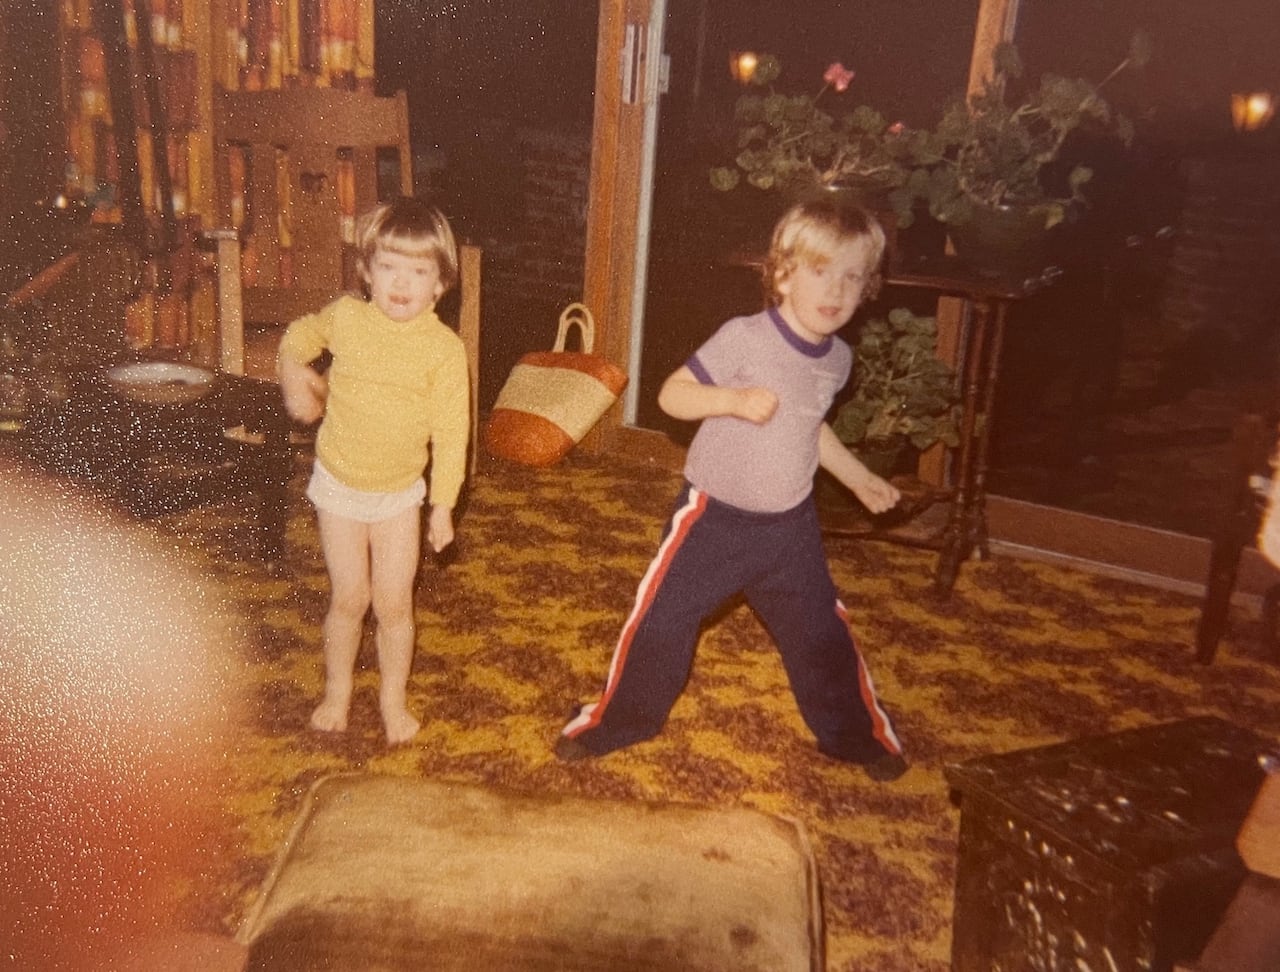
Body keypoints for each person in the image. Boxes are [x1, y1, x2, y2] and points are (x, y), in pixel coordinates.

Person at [556, 198, 908, 781]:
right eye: (821, 271)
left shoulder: (838, 359)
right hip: (713, 518)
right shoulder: (745, 338)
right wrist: (733, 401)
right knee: (662, 618)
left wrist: (859, 477)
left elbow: (808, 426)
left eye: (852, 276)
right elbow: (672, 396)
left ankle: (854, 736)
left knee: (821, 631)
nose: (836, 291)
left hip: (790, 528)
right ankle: (618, 722)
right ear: (785, 273)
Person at [277, 196, 469, 745]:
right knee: (349, 598)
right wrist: (294, 371)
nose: (401, 283)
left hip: (398, 498)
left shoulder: (443, 350)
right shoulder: (346, 317)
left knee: (393, 603)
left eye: (418, 271)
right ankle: (337, 692)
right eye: (388, 266)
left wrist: (443, 503)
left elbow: (452, 432)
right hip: (338, 486)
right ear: (366, 270)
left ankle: (392, 700)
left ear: (440, 283)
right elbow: (299, 336)